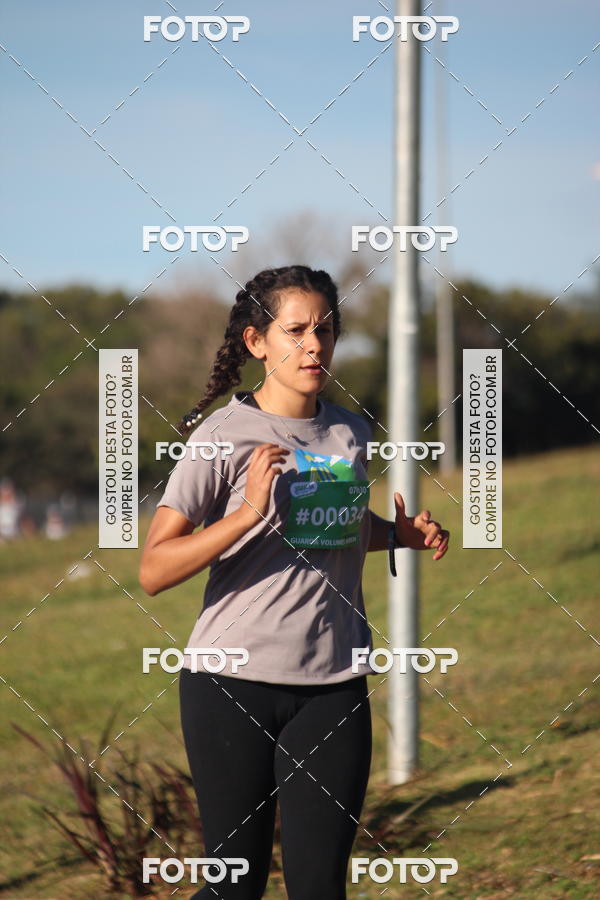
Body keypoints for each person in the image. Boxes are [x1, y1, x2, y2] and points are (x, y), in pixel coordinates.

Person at [139, 265, 449, 899]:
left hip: (333, 683)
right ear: (258, 343)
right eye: (297, 330)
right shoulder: (221, 438)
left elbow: (329, 528)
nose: (315, 345)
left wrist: (398, 535)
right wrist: (248, 513)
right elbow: (154, 568)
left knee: (319, 889)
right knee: (237, 887)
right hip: (230, 681)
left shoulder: (348, 431)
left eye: (326, 330)